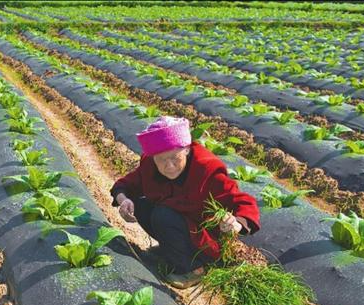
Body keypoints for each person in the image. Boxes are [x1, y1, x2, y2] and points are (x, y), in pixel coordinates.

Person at [110, 116, 261, 288]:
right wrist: (124, 200)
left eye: (175, 157)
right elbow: (125, 184)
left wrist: (236, 223)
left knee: (163, 214)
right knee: (142, 206)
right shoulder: (150, 166)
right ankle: (170, 251)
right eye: (162, 160)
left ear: (187, 150)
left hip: (205, 240)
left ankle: (194, 268)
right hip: (179, 226)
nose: (169, 165)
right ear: (153, 158)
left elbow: (244, 202)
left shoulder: (207, 170)